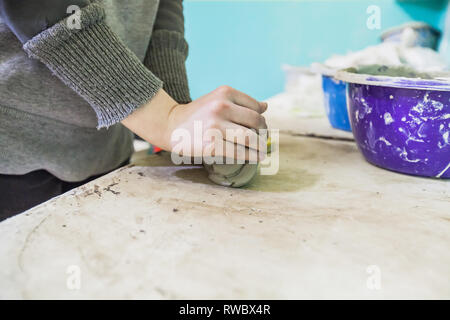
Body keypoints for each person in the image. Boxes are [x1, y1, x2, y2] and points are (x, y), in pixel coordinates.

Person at [0, 0, 267, 221]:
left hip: (107, 152)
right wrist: (166, 119)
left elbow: (160, 9)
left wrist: (178, 111)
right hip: (13, 162)